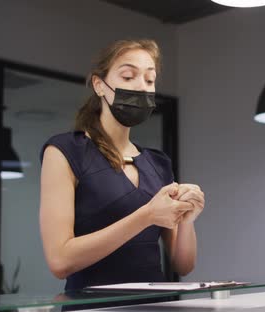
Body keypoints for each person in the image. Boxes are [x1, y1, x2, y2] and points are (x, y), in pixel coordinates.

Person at [39, 39, 204, 292]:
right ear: (99, 85)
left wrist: (188, 220)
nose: (141, 86)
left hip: (155, 308)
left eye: (150, 80)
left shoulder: (158, 163)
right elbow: (60, 261)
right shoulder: (65, 151)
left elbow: (183, 265)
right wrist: (146, 216)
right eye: (128, 76)